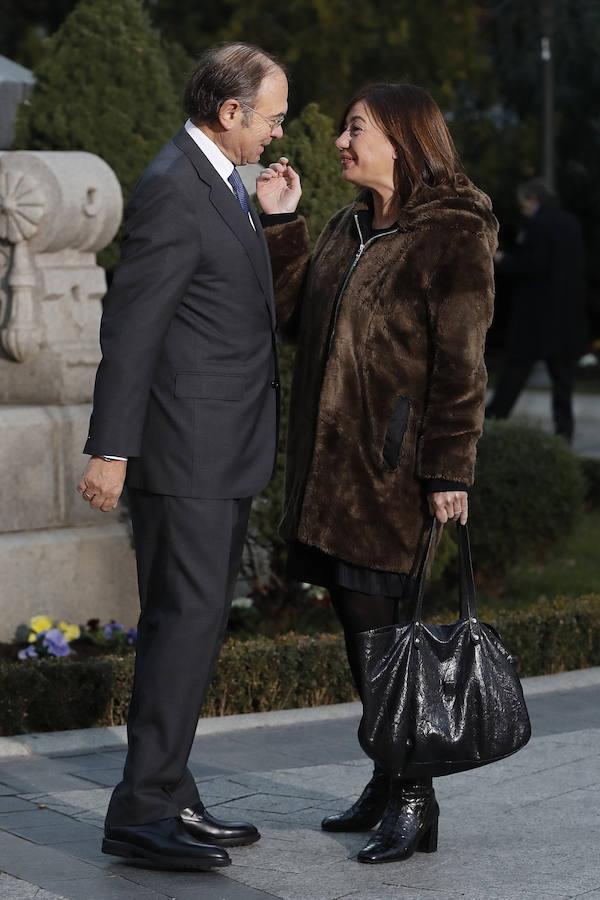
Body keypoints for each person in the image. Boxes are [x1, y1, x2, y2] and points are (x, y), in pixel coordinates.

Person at [256, 83, 497, 864]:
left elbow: (463, 366)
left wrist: (448, 469)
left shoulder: (451, 234)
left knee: (383, 641)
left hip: (391, 477)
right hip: (330, 477)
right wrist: (283, 223)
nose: (337, 141)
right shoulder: (347, 227)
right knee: (363, 637)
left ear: (402, 136)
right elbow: (293, 318)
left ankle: (415, 796)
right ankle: (390, 778)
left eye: (354, 128)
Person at [76, 42, 288, 870]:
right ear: (229, 112)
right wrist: (111, 450)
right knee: (182, 627)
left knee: (194, 629)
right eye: (269, 118)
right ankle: (140, 809)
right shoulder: (174, 186)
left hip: (219, 450)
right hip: (187, 455)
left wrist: (270, 222)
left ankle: (168, 789)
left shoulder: (220, 184)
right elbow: (131, 331)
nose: (276, 133)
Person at [486, 177, 588, 442]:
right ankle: (564, 435)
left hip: (535, 317)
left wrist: (503, 260)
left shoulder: (536, 225)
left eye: (523, 204)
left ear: (533, 200)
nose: (522, 209)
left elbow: (532, 265)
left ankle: (493, 423)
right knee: (563, 383)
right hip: (566, 316)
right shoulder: (571, 223)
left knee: (515, 372)